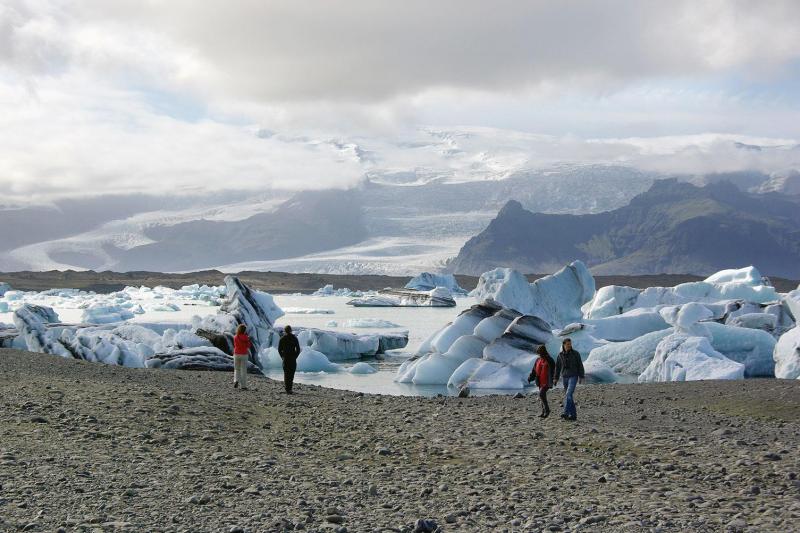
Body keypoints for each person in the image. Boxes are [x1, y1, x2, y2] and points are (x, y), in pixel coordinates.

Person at [554, 338, 584, 421]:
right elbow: (558, 367)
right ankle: (573, 415)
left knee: (568, 394)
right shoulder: (560, 355)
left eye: (570, 344)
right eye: (567, 344)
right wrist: (555, 378)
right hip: (565, 377)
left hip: (573, 376)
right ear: (563, 345)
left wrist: (581, 376)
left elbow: (580, 365)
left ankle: (566, 413)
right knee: (569, 396)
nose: (569, 346)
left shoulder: (576, 354)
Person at [528, 345, 555, 418]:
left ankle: (547, 410)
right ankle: (543, 412)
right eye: (538, 353)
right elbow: (534, 371)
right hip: (540, 381)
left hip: (547, 381)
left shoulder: (549, 360)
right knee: (542, 396)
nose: (539, 354)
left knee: (541, 394)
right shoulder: (538, 360)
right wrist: (530, 378)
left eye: (540, 352)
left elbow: (553, 370)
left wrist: (555, 378)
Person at [278, 325, 301, 394]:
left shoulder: (282, 338)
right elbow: (298, 349)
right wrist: (295, 356)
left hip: (286, 358)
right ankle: (290, 388)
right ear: (291, 330)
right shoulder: (294, 338)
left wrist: (282, 356)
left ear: (285, 331)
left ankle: (287, 389)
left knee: (286, 373)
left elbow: (279, 349)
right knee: (291, 373)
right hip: (292, 358)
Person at [232, 324, 251, 390]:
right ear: (244, 330)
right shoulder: (246, 337)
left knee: (237, 369)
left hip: (236, 354)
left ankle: (236, 380)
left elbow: (235, 345)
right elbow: (248, 346)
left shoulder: (235, 337)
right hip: (244, 354)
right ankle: (243, 386)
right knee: (243, 370)